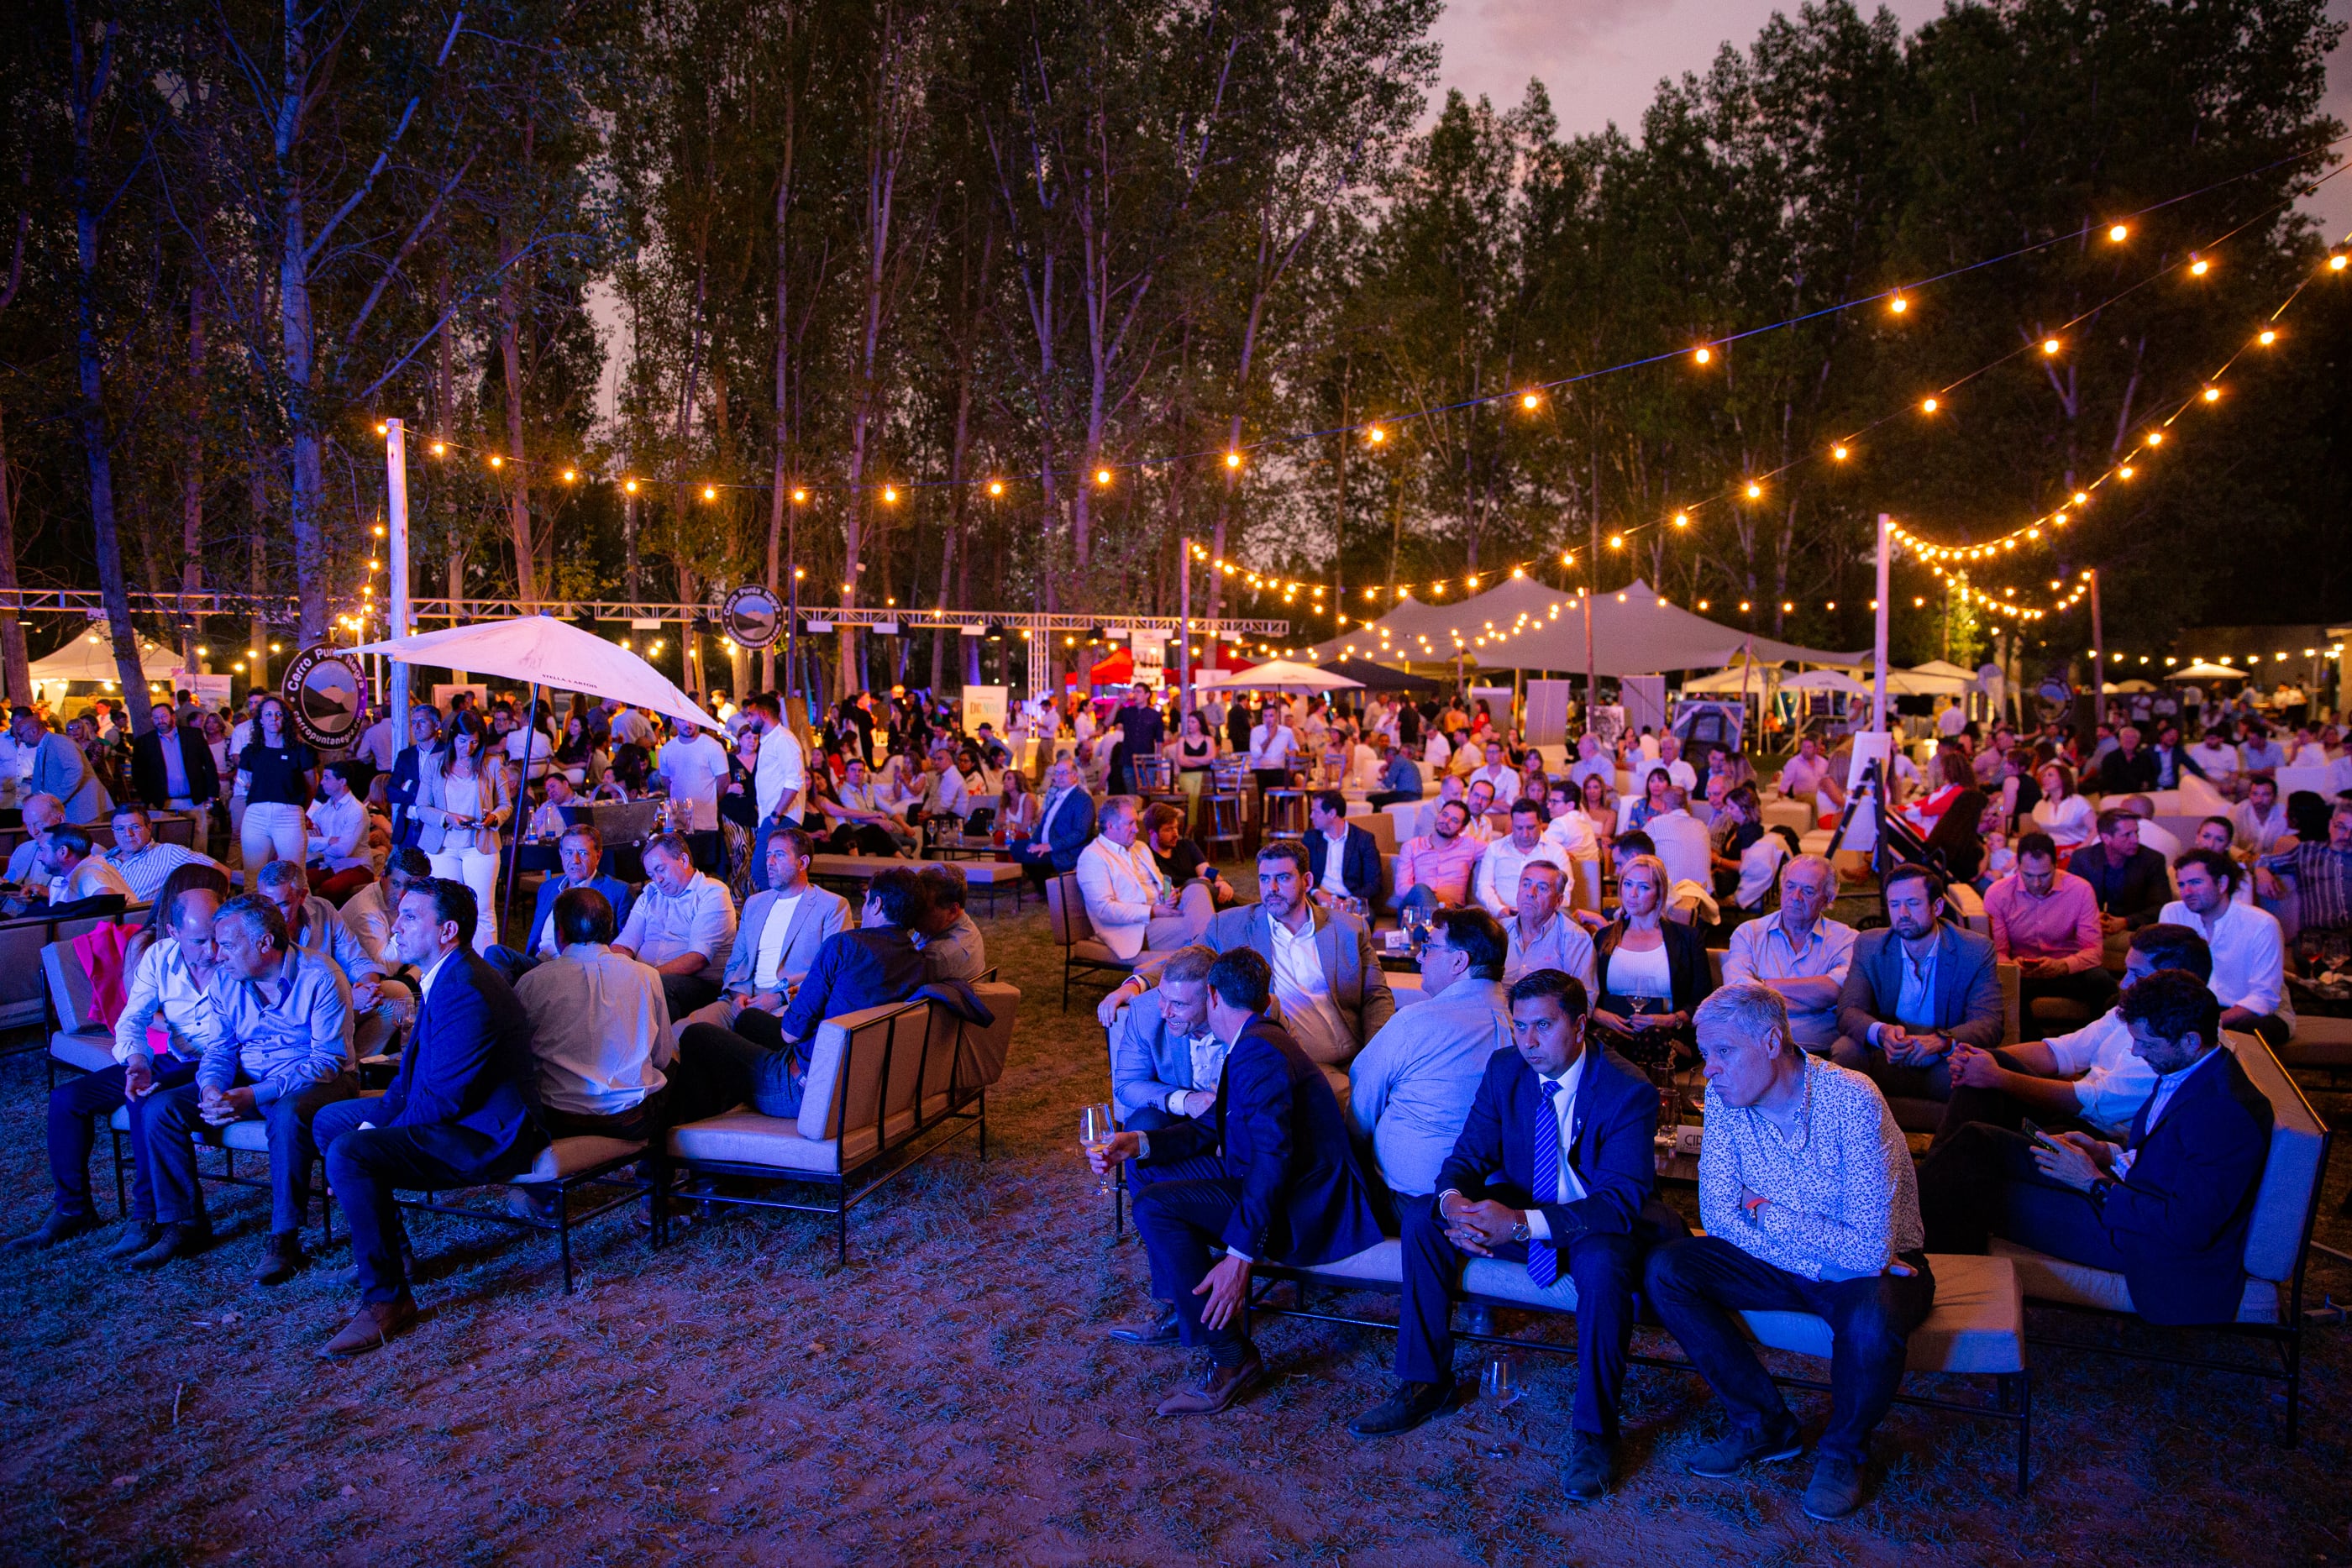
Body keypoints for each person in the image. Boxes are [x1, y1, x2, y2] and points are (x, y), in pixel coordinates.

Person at [1352, 968, 1668, 1500]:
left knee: (1603, 1263)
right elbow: (1468, 1155)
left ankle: (1595, 1433)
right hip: (1531, 1207)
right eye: (1520, 1027)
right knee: (1423, 1220)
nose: (1529, 1042)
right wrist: (1454, 1204)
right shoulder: (1506, 1070)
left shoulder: (1626, 1089)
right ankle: (1426, 1382)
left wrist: (1517, 1225)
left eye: (1543, 1026)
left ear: (1581, 1025)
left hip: (1596, 1221)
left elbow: (1619, 1203)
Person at [1644, 983, 1932, 1522]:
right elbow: (1719, 1218)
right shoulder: (1730, 1103)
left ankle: (1844, 1452)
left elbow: (1871, 1248)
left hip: (1878, 1267)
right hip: (1806, 1262)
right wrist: (1815, 1259)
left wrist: (1766, 1210)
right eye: (1707, 1055)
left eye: (1723, 1052)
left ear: (1772, 1041)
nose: (1710, 1069)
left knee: (1871, 1319)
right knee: (1669, 1268)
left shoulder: (1852, 1099)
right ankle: (1763, 1425)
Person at [1089, 947, 1383, 1415]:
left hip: (1303, 1204)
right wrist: (1138, 1143)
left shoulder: (1257, 1053)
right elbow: (1213, 1129)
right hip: (1265, 1179)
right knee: (1151, 1173)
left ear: (1212, 996)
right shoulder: (1254, 1038)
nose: (1170, 1014)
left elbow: (1273, 1160)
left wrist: (1240, 1254)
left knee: (1155, 1207)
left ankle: (1233, 1359)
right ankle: (1185, 1306)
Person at [1919, 969, 2272, 1327]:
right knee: (1976, 1142)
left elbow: (2187, 1228)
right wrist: (2105, 1152)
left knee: (1966, 1186)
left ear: (2191, 1040)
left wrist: (2093, 1183)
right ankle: (1905, 1232)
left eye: (2146, 1044)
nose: (2136, 1051)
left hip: (2145, 1243)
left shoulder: (2224, 1115)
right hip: (2123, 1192)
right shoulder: (2189, 1070)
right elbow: (2170, 1159)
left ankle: (1932, 1294)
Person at [312, 878, 545, 1355]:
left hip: (484, 1133)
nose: (397, 924)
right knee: (332, 1123)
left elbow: (440, 1103)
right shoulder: (443, 975)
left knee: (351, 1152)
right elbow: (409, 1083)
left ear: (448, 930)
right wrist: (369, 1130)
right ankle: (394, 1254)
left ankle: (386, 1300)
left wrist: (362, 1151)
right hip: (453, 1115)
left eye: (412, 916)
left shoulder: (467, 989)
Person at [135, 894, 355, 1281]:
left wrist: (254, 1094)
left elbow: (327, 1061)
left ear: (264, 943)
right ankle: (185, 1223)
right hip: (249, 1078)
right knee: (160, 1108)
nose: (217, 955)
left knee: (287, 1113)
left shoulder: (320, 976)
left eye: (229, 944)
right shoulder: (227, 980)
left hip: (318, 1080)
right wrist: (211, 1088)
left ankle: (285, 1237)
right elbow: (221, 1048)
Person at [8, 883, 225, 1253]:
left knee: (146, 1099)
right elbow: (132, 1018)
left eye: (216, 938)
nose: (213, 951)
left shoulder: (234, 954)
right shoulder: (159, 956)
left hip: (219, 1062)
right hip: (173, 1058)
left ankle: (147, 1215)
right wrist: (138, 1059)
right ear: (173, 932)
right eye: (200, 941)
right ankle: (73, 1210)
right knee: (66, 1100)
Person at [672, 868, 926, 1121]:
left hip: (802, 1089)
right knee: (747, 1019)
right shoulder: (917, 961)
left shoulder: (844, 946)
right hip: (857, 1075)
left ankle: (686, 1136)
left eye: (868, 900)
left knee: (697, 1035)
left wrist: (798, 998)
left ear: (878, 904)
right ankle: (730, 1102)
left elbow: (791, 1032)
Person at [1933, 922, 2208, 1149]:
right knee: (1984, 1065)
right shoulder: (2132, 1007)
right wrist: (1978, 1060)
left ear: (2174, 981)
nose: (2124, 983)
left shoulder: (2175, 1042)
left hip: (2099, 1137)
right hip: (2075, 1112)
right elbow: (2063, 1051)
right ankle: (1934, 1173)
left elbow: (2094, 1102)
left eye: (2137, 974)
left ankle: (1933, 1177)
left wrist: (1997, 1076)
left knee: (1978, 1132)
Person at [1347, 907, 1515, 1203]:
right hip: (1497, 1198)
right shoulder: (1521, 1025)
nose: (1420, 957)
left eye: (1429, 947)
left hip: (1410, 1198)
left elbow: (1361, 1106)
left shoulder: (1416, 1021)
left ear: (1459, 961)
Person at [1832, 862, 2003, 1106]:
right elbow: (1848, 1012)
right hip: (1888, 1054)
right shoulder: (1870, 945)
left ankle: (1953, 1144)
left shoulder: (1974, 950)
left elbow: (1989, 1024)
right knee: (1846, 1050)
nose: (1902, 914)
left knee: (1974, 1070)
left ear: (1938, 906)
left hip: (1943, 1059)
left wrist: (1941, 1041)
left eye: (1912, 903)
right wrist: (1882, 1033)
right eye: (1894, 904)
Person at [515, 887, 677, 1142]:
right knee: (677, 1069)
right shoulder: (646, 976)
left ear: (560, 933)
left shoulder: (533, 982)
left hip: (558, 1118)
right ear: (610, 930)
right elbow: (661, 1056)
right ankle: (660, 1173)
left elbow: (521, 1058)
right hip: (631, 1120)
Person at [709, 827, 852, 1020]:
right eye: (768, 855)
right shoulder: (754, 904)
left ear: (802, 863)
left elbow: (831, 973)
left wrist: (779, 998)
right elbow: (735, 963)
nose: (770, 862)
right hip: (741, 1001)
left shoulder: (831, 906)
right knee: (682, 1033)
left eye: (779, 855)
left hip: (789, 1005)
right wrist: (739, 995)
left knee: (747, 1032)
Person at [1721, 854, 1858, 1055]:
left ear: (1828, 899)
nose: (1795, 897)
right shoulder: (1749, 933)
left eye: (1808, 891)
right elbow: (1739, 994)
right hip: (1758, 1051)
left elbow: (1836, 991)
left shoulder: (1847, 939)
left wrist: (1765, 984)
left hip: (1819, 1052)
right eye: (1790, 886)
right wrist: (1815, 1003)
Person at [1589, 854, 1712, 1073]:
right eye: (1627, 884)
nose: (1632, 894)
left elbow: (1703, 1001)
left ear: (1659, 894)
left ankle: (1649, 1104)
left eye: (1643, 887)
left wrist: (1669, 1020)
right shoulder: (1604, 937)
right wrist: (1601, 1015)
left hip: (1668, 1033)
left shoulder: (1687, 938)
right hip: (1613, 1028)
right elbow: (1588, 993)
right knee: (1602, 1046)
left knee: (1652, 1039)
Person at [1985, 831, 2114, 1033]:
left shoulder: (2080, 890)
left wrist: (2063, 965)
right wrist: (2013, 966)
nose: (2037, 884)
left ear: (2056, 866)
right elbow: (1998, 951)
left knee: (2102, 981)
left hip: (2067, 970)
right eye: (2028, 875)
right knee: (2000, 986)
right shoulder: (1998, 893)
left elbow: (2094, 951)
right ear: (2018, 867)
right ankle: (2033, 1054)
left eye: (2045, 875)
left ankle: (2100, 1049)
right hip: (2021, 972)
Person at [2164, 849, 2291, 1046]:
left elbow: (2264, 998)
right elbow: (2165, 975)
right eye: (2181, 884)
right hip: (2198, 1011)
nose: (2186, 892)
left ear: (2222, 883)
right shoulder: (2174, 914)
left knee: (2246, 1029)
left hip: (2255, 1014)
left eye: (2196, 882)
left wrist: (2214, 1022)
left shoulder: (2261, 924)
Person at [612, 831, 738, 1019]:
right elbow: (623, 944)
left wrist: (645, 978)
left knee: (660, 987)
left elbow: (697, 959)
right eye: (651, 874)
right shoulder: (650, 894)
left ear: (684, 860)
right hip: (647, 979)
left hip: (697, 984)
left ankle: (656, 1047)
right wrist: (615, 969)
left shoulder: (711, 893)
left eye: (661, 869)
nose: (658, 879)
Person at [1074, 795, 1214, 961]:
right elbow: (1104, 910)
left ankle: (1211, 949)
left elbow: (1163, 881)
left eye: (1136, 822)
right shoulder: (1093, 857)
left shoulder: (1140, 848)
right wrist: (1153, 911)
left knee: (1197, 888)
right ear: (1110, 826)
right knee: (1205, 930)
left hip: (1163, 910)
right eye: (1130, 823)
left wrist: (1168, 894)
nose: (1136, 829)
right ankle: (1215, 953)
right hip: (1137, 928)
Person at [417, 712, 510, 952]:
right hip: (443, 846)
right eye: (462, 741)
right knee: (448, 910)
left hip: (480, 845)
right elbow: (422, 808)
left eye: (474, 742)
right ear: (451, 738)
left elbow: (506, 805)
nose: (467, 747)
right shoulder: (435, 762)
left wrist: (493, 817)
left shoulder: (492, 763)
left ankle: (488, 965)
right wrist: (447, 818)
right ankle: (450, 963)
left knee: (484, 910)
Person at [2070, 808, 2171, 954]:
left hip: (2134, 930)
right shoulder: (2083, 859)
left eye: (2136, 833)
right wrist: (2092, 918)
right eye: (2127, 835)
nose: (2135, 840)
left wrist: (2125, 922)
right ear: (2106, 838)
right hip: (2090, 927)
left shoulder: (2152, 860)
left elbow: (2160, 907)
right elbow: (2071, 900)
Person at [234, 695, 316, 869]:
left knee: (294, 874)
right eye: (268, 714)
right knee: (253, 876)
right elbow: (243, 781)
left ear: (285, 718)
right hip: (256, 815)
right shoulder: (251, 751)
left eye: (278, 714)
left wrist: (300, 809)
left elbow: (311, 785)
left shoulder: (301, 751)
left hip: (289, 814)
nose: (274, 718)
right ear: (261, 719)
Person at [2258, 796, 2352, 946]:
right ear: (2330, 825)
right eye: (2341, 827)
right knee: (2317, 960)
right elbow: (2264, 860)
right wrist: (2262, 872)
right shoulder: (2307, 851)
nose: (2347, 836)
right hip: (2318, 937)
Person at [1500, 859, 1598, 993]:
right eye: (1526, 884)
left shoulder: (1576, 939)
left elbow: (1584, 998)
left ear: (1558, 901)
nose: (1530, 893)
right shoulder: (1497, 931)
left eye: (1542, 888)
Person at [1472, 796, 1567, 919]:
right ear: (1512, 824)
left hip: (1542, 916)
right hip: (1500, 915)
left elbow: (1565, 893)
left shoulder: (1556, 852)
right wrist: (1499, 909)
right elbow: (1484, 887)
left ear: (1540, 823)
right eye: (1519, 828)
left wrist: (1534, 911)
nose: (1525, 834)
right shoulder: (1495, 848)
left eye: (1531, 827)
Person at [14, 707, 111, 822]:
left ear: (34, 731)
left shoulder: (58, 742)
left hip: (83, 809)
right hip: (76, 809)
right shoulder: (49, 743)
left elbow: (75, 769)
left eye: (21, 734)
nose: (20, 739)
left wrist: (57, 798)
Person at [1017, 757, 1096, 891]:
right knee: (1019, 847)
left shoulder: (1082, 799)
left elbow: (1080, 833)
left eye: (1064, 773)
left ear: (1075, 776)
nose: (1059, 777)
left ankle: (1046, 891)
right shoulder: (1057, 796)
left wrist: (1050, 846)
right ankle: (1042, 888)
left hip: (1067, 850)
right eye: (1057, 773)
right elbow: (1043, 825)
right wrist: (1033, 843)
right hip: (1048, 844)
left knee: (1030, 856)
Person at [302, 760, 376, 901]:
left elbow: (344, 850)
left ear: (342, 781)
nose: (322, 782)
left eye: (327, 778)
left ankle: (329, 922)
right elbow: (306, 842)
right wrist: (328, 841)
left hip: (358, 866)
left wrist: (320, 844)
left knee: (330, 888)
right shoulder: (324, 809)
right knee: (301, 882)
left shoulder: (356, 811)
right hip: (330, 865)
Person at [1392, 799, 1483, 913]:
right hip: (1414, 910)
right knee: (1421, 889)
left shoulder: (1470, 845)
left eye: (1454, 820)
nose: (1446, 821)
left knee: (1475, 913)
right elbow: (1401, 888)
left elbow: (1498, 849)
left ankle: (1435, 927)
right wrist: (1430, 895)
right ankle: (1436, 926)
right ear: (1438, 815)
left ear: (1462, 829)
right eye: (1444, 815)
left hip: (1452, 911)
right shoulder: (1412, 846)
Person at [129, 700, 218, 811]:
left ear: (173, 716)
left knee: (199, 828)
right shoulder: (144, 742)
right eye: (156, 718)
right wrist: (148, 799)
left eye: (163, 716)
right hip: (162, 804)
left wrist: (212, 794)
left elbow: (209, 765)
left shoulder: (193, 736)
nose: (160, 721)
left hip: (195, 801)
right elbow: (138, 774)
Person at [26, 824, 134, 915]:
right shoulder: (61, 877)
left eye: (43, 850)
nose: (39, 857)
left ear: (63, 852)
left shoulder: (90, 873)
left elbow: (107, 905)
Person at [655, 715, 732, 832]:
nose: (688, 724)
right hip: (677, 824)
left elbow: (724, 781)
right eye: (682, 719)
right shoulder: (666, 750)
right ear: (674, 721)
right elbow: (667, 781)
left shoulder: (713, 746)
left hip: (706, 824)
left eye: (691, 719)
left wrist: (710, 801)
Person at [1305, 789, 1380, 908]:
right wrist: (1318, 894)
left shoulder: (1363, 839)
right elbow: (1302, 873)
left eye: (1316, 812)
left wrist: (1350, 902)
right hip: (1318, 899)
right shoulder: (1311, 838)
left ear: (1332, 813)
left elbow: (1374, 882)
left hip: (1352, 900)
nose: (1311, 816)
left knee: (1366, 919)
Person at [915, 863, 988, 982]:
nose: (915, 912)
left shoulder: (939, 955)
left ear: (953, 911)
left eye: (924, 908)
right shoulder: (941, 925)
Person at [1644, 786, 1714, 895]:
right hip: (1704, 895)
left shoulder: (1656, 823)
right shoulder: (1702, 826)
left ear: (1664, 805)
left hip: (1672, 895)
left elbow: (1637, 850)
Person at [2030, 762, 2094, 852]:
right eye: (2044, 776)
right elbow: (2037, 833)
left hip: (2079, 849)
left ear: (2063, 778)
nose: (2045, 778)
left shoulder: (2078, 801)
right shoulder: (2040, 805)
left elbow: (2095, 830)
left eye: (2050, 775)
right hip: (2051, 850)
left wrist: (2078, 850)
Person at [2231, 776, 2291, 856]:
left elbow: (2290, 848)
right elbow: (2229, 846)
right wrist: (2248, 860)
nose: (2259, 799)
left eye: (2265, 795)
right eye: (2255, 794)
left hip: (2274, 863)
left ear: (2275, 798)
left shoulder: (2285, 814)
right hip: (2243, 860)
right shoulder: (2238, 811)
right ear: (2249, 795)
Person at [1368, 737, 1423, 811]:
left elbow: (1388, 785)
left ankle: (1377, 821)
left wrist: (1383, 773)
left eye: (1386, 758)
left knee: (1371, 799)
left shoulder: (1396, 761)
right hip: (1418, 795)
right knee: (1386, 797)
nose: (1386, 761)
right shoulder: (1410, 763)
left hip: (1407, 795)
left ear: (1389, 756)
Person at [1777, 734, 1830, 805]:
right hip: (1802, 795)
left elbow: (1830, 780)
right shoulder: (1794, 762)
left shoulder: (1823, 762)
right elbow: (1785, 782)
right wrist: (1779, 798)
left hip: (1821, 794)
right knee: (1818, 800)